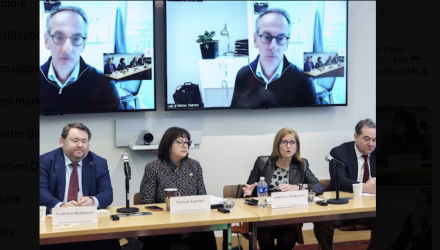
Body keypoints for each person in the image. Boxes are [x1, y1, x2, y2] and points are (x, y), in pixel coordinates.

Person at [39, 122, 119, 250]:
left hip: (89, 224)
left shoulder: (98, 162)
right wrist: (62, 206)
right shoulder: (45, 161)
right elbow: (41, 192)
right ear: (62, 141)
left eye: (84, 141)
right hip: (56, 224)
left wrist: (92, 201)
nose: (80, 145)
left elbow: (107, 194)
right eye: (75, 140)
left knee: (110, 241)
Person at [242, 127, 324, 250]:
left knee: (288, 239)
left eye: (292, 142)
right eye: (284, 142)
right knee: (265, 239)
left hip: (288, 218)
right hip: (265, 217)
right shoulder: (262, 162)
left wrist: (297, 187)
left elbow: (318, 187)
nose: (288, 146)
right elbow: (251, 189)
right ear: (277, 145)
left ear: (297, 146)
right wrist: (249, 192)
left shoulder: (302, 164)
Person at [139, 127, 217, 250]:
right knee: (154, 239)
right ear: (168, 145)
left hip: (192, 224)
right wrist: (174, 227)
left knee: (207, 235)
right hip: (163, 226)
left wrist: (189, 226)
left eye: (187, 142)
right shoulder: (153, 168)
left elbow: (202, 198)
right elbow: (147, 203)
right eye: (180, 142)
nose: (184, 145)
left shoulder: (194, 166)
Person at [40, 5, 122, 114]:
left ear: (83, 44)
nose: (67, 49)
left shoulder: (105, 85)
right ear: (46, 40)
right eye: (59, 37)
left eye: (76, 38)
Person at [230, 8, 319, 108]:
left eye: (280, 38)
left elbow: (314, 121)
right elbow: (235, 116)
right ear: (255, 40)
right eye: (267, 37)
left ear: (287, 44)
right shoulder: (243, 75)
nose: (273, 46)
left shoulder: (304, 80)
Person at [313, 118, 377, 250]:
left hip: (369, 208)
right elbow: (339, 181)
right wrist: (366, 187)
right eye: (366, 139)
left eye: (374, 140)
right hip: (341, 206)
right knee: (322, 222)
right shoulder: (339, 153)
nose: (371, 144)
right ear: (355, 136)